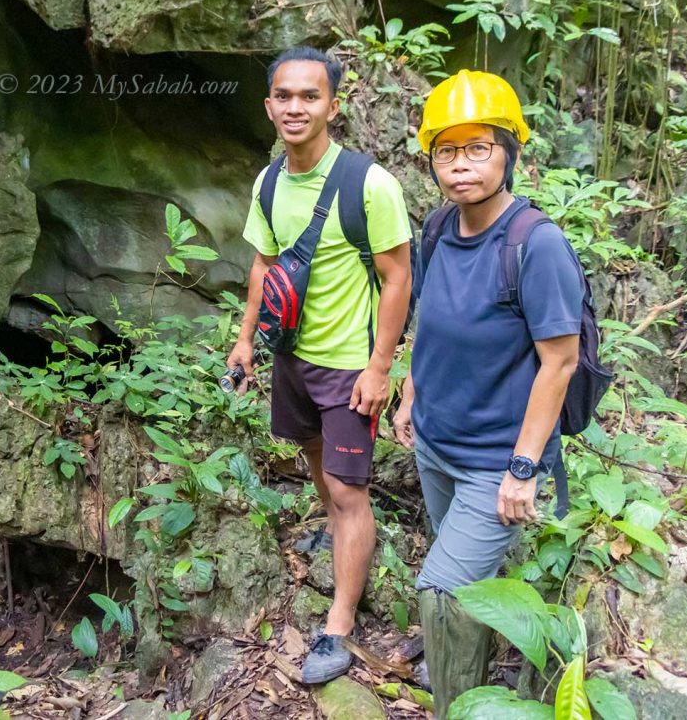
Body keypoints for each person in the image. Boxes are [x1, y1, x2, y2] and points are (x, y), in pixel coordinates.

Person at [391, 70, 584, 716]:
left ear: (509, 152)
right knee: (467, 590)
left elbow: (559, 362)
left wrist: (523, 469)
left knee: (443, 593)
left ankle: (457, 706)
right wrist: (411, 392)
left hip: (494, 461)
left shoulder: (536, 243)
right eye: (447, 150)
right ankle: (471, 674)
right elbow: (431, 318)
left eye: (478, 147)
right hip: (437, 444)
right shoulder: (440, 227)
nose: (461, 164)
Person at [227, 47, 413, 684]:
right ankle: (340, 535)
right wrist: (247, 340)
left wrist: (380, 367)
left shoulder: (370, 183)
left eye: (310, 96)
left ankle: (338, 625)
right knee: (314, 464)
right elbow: (263, 265)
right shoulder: (269, 181)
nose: (295, 107)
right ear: (269, 105)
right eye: (284, 96)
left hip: (348, 367)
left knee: (346, 489)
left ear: (334, 105)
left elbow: (396, 279)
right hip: (292, 357)